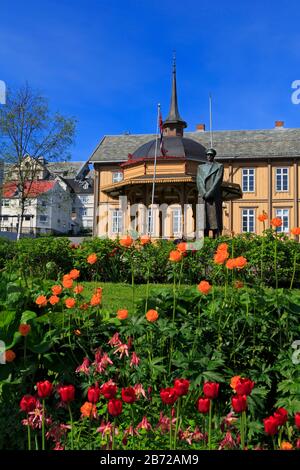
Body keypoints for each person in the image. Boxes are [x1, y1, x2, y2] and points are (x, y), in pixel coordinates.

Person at [196, 148, 224, 238]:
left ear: (214, 156)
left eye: (211, 155)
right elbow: (199, 180)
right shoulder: (200, 167)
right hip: (202, 197)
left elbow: (218, 180)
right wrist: (204, 193)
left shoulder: (219, 166)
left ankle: (216, 242)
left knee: (214, 222)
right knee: (203, 223)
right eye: (207, 155)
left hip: (213, 197)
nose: (209, 156)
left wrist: (210, 193)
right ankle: (205, 243)